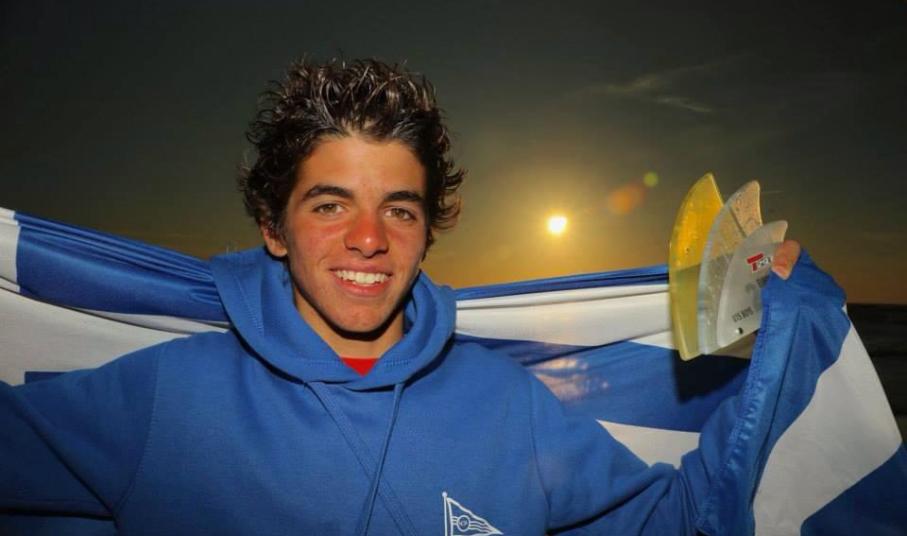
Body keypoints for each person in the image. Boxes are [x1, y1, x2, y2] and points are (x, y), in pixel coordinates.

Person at [0, 58, 801, 535]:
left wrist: (784, 337)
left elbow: (675, 521)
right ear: (273, 229)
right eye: (329, 205)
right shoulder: (169, 397)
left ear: (425, 234)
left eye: (399, 210)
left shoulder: (508, 406)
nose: (368, 238)